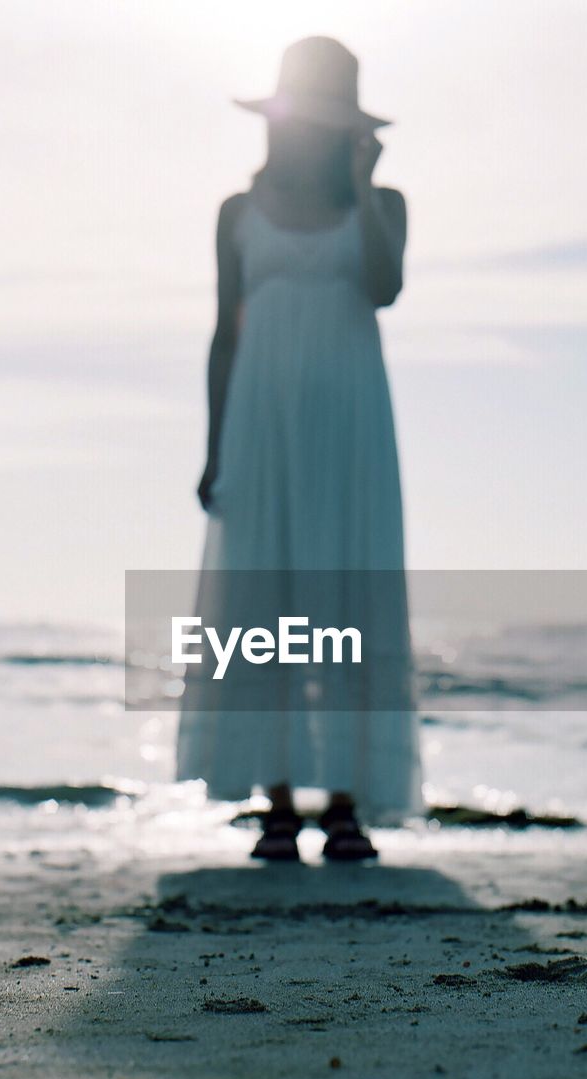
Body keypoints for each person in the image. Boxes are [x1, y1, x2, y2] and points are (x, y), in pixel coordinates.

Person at [175, 35, 421, 862]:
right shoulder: (236, 213)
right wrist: (214, 449)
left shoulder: (381, 204)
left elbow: (385, 289)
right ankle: (279, 806)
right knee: (267, 605)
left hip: (352, 426)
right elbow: (222, 335)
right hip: (260, 425)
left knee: (349, 597)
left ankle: (346, 805)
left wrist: (360, 179)